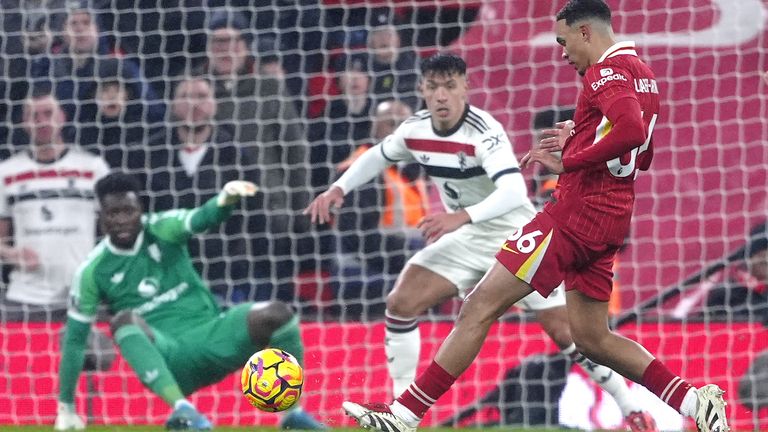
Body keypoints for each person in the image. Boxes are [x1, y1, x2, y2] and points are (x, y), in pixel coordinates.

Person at [340, 2, 730, 432]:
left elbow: (630, 131)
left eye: (564, 41)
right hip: (612, 214)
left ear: (585, 32)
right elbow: (643, 152)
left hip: (574, 214)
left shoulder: (606, 72)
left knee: (478, 308)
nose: (563, 53)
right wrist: (583, 136)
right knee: (592, 338)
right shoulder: (645, 76)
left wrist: (573, 157)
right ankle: (694, 401)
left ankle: (403, 416)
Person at [307, 51, 657, 431]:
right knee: (402, 302)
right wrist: (337, 189)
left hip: (517, 233)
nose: (442, 95)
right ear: (422, 90)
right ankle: (400, 413)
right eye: (434, 87)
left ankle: (630, 406)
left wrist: (460, 216)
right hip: (470, 236)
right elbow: (378, 155)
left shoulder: (483, 131)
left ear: (465, 88)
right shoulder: (415, 128)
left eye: (450, 86)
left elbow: (510, 191)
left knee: (568, 333)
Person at [54, 173, 325, 431]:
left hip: (213, 334)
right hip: (169, 359)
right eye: (113, 213)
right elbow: (75, 340)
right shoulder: (92, 270)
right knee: (123, 320)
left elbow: (201, 218)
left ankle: (292, 414)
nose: (122, 220)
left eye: (129, 211)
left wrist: (225, 200)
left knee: (277, 314)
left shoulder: (162, 228)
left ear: (141, 210)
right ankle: (182, 410)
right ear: (100, 217)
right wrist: (66, 407)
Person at [0, 88, 110, 321]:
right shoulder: (7, 172)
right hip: (25, 298)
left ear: (62, 117)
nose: (42, 122)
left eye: (48, 113)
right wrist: (10, 254)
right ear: (23, 123)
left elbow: (115, 230)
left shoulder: (93, 167)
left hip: (83, 294)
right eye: (34, 116)